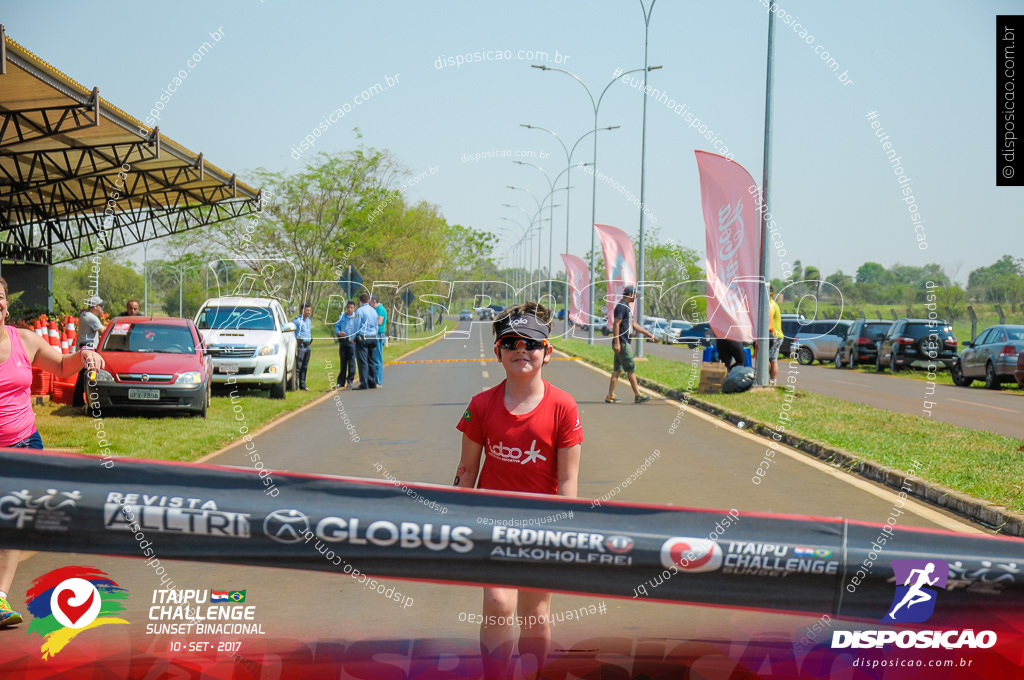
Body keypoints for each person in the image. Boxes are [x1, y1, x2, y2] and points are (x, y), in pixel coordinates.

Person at [453, 302, 583, 679]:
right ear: (498, 352)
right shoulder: (480, 405)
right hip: (491, 523)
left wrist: (566, 526)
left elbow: (569, 479)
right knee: (497, 603)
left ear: (547, 352)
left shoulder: (564, 406)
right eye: (510, 342)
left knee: (536, 615)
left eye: (531, 342)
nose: (521, 349)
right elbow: (466, 470)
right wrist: (456, 520)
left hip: (543, 525)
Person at [0, 277, 105, 627]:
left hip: (24, 445)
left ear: (6, 304)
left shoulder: (23, 340)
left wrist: (85, 354)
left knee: (14, 523)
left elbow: (60, 366)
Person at [605, 285, 655, 404]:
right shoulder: (621, 307)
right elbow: (616, 324)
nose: (636, 296)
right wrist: (617, 342)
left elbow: (633, 324)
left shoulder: (626, 307)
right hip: (622, 343)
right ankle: (638, 395)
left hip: (623, 342)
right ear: (630, 294)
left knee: (617, 370)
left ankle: (610, 395)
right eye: (635, 294)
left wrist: (648, 334)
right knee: (630, 369)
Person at [73, 295, 106, 406]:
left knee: (83, 376)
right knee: (87, 376)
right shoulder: (92, 317)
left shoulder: (84, 315)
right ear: (95, 306)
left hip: (84, 347)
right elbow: (103, 332)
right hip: (89, 348)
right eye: (101, 306)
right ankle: (81, 401)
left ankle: (78, 401)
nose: (102, 309)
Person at [353, 293, 378, 389]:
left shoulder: (359, 311)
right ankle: (372, 382)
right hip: (373, 337)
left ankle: (364, 383)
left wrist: (353, 337)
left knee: (363, 361)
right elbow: (376, 325)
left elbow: (356, 325)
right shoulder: (374, 311)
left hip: (363, 338)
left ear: (360, 301)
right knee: (371, 360)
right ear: (368, 300)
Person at [333, 300, 358, 389]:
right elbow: (336, 326)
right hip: (343, 341)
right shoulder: (342, 316)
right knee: (343, 362)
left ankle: (350, 380)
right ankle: (341, 382)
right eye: (348, 307)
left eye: (351, 308)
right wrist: (339, 332)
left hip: (351, 342)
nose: (350, 309)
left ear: (354, 308)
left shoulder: (356, 317)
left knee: (351, 362)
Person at [292, 302, 313, 391]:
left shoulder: (308, 321)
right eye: (307, 310)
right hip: (301, 346)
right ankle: (295, 385)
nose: (309, 312)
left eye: (310, 310)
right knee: (298, 366)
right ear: (302, 310)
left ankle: (303, 384)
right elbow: (292, 333)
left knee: (305, 366)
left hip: (308, 346)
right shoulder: (296, 321)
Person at [371, 295, 387, 387]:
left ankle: (378, 381)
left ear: (374, 301)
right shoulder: (377, 309)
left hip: (379, 335)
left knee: (378, 359)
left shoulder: (380, 309)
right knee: (374, 358)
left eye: (370, 302)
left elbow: (379, 322)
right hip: (375, 335)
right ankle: (375, 380)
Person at [768, 285, 784, 386]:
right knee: (773, 359)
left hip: (774, 336)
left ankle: (769, 379)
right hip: (776, 336)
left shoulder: (771, 305)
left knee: (767, 358)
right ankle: (772, 380)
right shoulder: (772, 304)